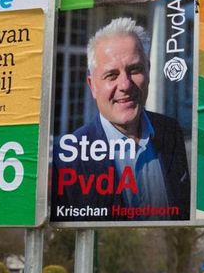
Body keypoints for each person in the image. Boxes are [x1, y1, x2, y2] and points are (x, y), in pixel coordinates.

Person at [52, 17, 190, 220]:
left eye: (135, 70)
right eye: (111, 75)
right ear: (92, 85)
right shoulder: (67, 159)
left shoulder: (170, 132)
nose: (125, 84)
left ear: (148, 71)